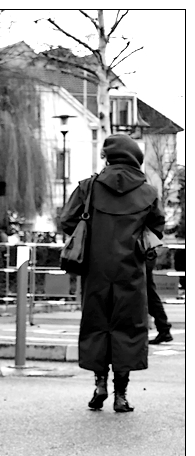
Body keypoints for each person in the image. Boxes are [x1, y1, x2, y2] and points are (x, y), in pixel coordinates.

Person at [61, 133, 165, 413]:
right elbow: (157, 228)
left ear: (108, 156)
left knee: (97, 325)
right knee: (128, 329)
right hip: (131, 272)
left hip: (96, 271)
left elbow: (67, 220)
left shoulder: (89, 187)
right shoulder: (147, 191)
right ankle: (121, 395)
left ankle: (99, 385)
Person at [146, 247, 173, 344]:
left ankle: (163, 328)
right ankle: (163, 328)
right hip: (144, 251)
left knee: (149, 295)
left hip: (140, 252)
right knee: (149, 294)